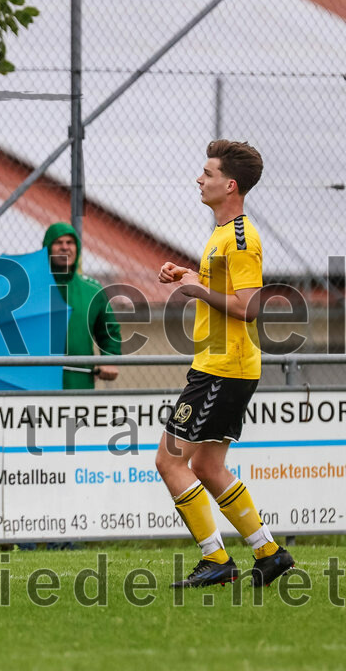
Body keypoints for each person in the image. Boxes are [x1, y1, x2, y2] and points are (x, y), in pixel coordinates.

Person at [156, 139, 294, 588]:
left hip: (222, 367)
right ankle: (269, 553)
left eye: (208, 173)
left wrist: (197, 288)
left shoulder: (241, 237)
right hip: (223, 364)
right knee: (208, 467)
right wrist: (189, 276)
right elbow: (223, 290)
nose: (199, 179)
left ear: (230, 185)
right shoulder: (221, 233)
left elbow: (248, 306)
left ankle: (215, 559)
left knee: (169, 461)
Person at [43, 222, 121, 388]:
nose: (65, 247)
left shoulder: (92, 290)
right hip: (36, 383)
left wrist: (109, 359)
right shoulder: (30, 289)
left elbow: (109, 332)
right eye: (58, 242)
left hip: (79, 382)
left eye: (70, 242)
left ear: (77, 248)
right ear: (47, 248)